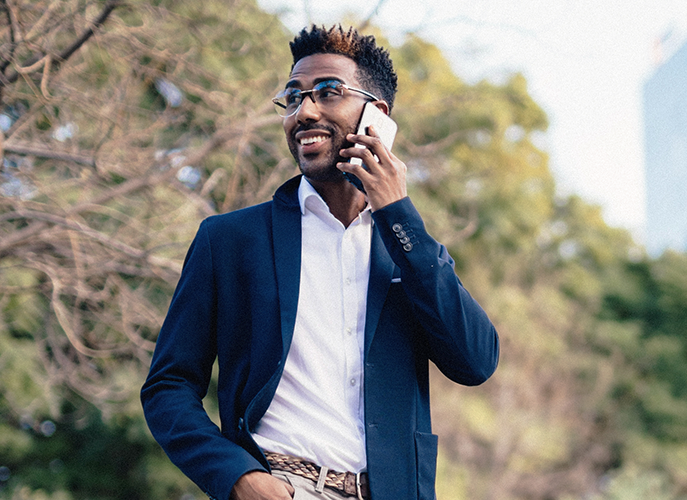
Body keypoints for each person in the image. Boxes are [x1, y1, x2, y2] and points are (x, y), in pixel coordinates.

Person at [140, 25, 499, 500]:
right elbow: (168, 385)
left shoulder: (409, 248)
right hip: (281, 484)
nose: (304, 112)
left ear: (377, 114)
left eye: (328, 93)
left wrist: (398, 212)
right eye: (292, 98)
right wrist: (237, 477)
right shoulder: (228, 240)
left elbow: (474, 361)